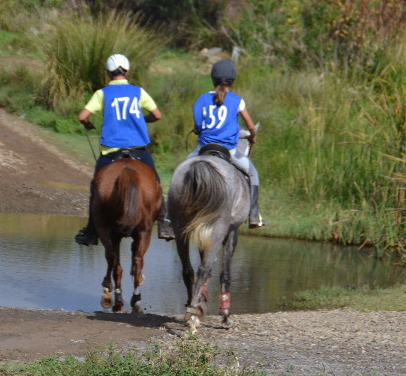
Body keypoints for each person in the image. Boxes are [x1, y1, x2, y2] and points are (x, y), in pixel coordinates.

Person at [74, 53, 174, 245]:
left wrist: (87, 124)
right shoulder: (139, 91)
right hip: (138, 148)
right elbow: (157, 115)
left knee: (96, 188)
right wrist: (143, 119)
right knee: (157, 183)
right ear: (127, 71)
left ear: (108, 73)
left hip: (111, 151)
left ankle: (91, 231)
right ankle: (164, 223)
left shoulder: (101, 93)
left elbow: (82, 116)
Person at [188, 58, 265, 228]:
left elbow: (199, 126)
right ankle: (254, 215)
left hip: (204, 148)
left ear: (213, 79)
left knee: (184, 169)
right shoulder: (237, 101)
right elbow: (251, 126)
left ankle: (172, 218)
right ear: (232, 81)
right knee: (253, 174)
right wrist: (252, 136)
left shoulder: (201, 100)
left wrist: (198, 130)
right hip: (229, 150)